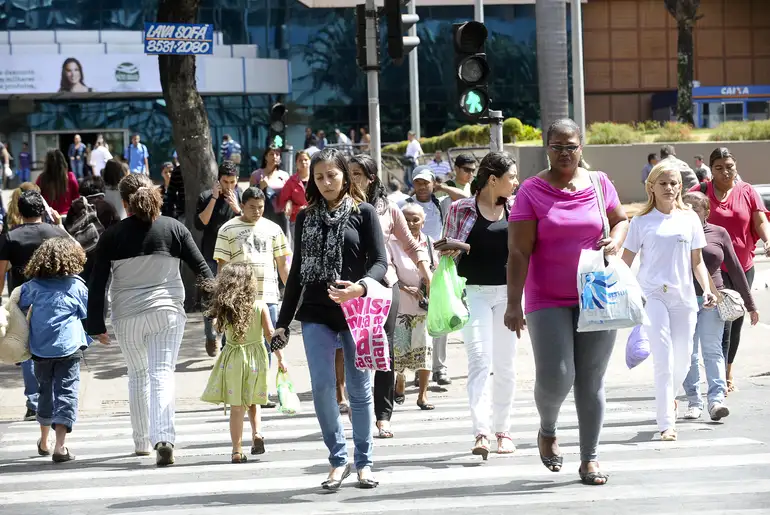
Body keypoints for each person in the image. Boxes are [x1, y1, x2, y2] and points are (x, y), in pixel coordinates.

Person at [506, 118, 629, 486]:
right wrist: (513, 303)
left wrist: (616, 240)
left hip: (596, 293)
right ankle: (547, 428)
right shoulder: (531, 191)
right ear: (547, 148)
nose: (564, 153)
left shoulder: (599, 183)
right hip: (547, 297)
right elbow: (518, 252)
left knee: (591, 379)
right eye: (557, 146)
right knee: (557, 376)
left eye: (570, 146)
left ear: (581, 147)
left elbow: (620, 220)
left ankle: (590, 458)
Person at [274, 147, 386, 489]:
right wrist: (282, 323)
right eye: (319, 177)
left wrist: (360, 288)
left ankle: (364, 461)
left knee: (359, 388)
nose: (326, 182)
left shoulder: (364, 213)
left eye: (332, 175)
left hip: (355, 310)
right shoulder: (305, 217)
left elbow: (380, 263)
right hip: (316, 311)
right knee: (323, 388)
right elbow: (296, 274)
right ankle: (338, 460)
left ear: (345, 176)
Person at [87, 174, 213, 466]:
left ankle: (142, 441)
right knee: (162, 373)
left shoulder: (112, 235)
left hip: (127, 316)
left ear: (124, 203)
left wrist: (95, 324)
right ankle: (164, 438)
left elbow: (98, 282)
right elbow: (203, 270)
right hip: (167, 313)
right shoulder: (174, 228)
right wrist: (219, 307)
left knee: (138, 375)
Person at [621, 160, 717, 442]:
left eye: (673, 183)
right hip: (652, 295)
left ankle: (670, 398)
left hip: (684, 297)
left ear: (680, 187)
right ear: (651, 187)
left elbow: (697, 262)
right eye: (662, 183)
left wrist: (707, 289)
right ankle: (666, 423)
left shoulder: (689, 219)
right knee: (663, 359)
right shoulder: (640, 221)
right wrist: (620, 291)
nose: (669, 188)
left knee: (683, 360)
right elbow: (626, 262)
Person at [348, 153, 432, 439]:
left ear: (371, 178)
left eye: (357, 174)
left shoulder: (389, 209)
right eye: (349, 173)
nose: (352, 179)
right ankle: (358, 405)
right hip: (351, 287)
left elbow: (411, 244)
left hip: (385, 284)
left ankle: (383, 416)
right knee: (355, 347)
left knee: (384, 348)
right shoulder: (340, 207)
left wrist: (426, 272)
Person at [443, 151, 518, 459]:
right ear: (493, 180)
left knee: (505, 365)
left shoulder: (516, 208)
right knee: (479, 361)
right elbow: (445, 251)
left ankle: (503, 430)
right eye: (511, 177)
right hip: (472, 293)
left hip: (509, 295)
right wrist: (455, 248)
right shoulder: (460, 208)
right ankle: (481, 432)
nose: (516, 182)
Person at [689, 147, 769, 392]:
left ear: (736, 166)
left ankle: (727, 370)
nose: (725, 172)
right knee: (719, 323)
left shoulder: (747, 191)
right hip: (712, 269)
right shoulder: (700, 192)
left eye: (729, 167)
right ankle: (718, 375)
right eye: (719, 168)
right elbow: (680, 214)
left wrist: (768, 240)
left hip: (742, 266)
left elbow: (760, 220)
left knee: (735, 319)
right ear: (710, 170)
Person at [681, 191, 757, 422]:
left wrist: (750, 304)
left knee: (712, 349)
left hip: (712, 300)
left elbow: (735, 268)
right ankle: (694, 401)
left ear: (706, 212)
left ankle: (716, 401)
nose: (689, 212)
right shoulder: (676, 233)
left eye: (695, 208)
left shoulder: (718, 233)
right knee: (689, 353)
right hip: (682, 301)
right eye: (685, 207)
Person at [200, 263, 286, 462]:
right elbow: (270, 334)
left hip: (234, 359)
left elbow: (218, 329)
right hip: (256, 358)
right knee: (253, 399)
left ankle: (236, 450)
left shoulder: (226, 308)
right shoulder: (260, 305)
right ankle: (257, 433)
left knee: (237, 407)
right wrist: (281, 358)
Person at [0, 190, 70, 422]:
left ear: (20, 211)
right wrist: (59, 224)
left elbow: (0, 273)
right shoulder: (55, 233)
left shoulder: (10, 237)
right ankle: (53, 399)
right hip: (53, 297)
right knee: (52, 348)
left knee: (26, 349)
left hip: (23, 299)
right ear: (43, 210)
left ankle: (34, 402)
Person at [20, 237, 90, 462]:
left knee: (45, 391)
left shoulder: (32, 286)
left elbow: (19, 308)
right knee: (67, 392)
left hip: (40, 349)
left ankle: (44, 441)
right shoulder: (76, 286)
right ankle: (60, 446)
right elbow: (85, 313)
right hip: (69, 347)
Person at [402, 166, 451, 386]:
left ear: (433, 183)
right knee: (416, 321)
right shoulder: (404, 205)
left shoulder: (441, 203)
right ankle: (419, 369)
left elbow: (464, 197)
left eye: (426, 182)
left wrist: (441, 187)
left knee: (439, 319)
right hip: (410, 268)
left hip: (437, 266)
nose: (422, 186)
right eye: (418, 182)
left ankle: (439, 368)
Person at [390, 203, 436, 411]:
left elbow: (436, 270)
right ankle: (400, 379)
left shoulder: (430, 244)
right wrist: (404, 287)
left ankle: (422, 395)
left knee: (425, 351)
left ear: (423, 222)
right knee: (400, 352)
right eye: (406, 219)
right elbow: (387, 271)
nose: (410, 223)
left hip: (424, 308)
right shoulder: (391, 243)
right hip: (400, 306)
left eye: (415, 219)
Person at [196, 161, 242, 357]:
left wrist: (237, 209)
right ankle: (210, 335)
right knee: (210, 296)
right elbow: (200, 224)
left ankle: (225, 342)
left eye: (232, 182)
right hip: (210, 253)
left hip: (233, 255)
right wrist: (214, 198)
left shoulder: (240, 196)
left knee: (231, 298)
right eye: (225, 182)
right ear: (218, 181)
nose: (229, 186)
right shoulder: (206, 196)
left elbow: (249, 222)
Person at [64, 176, 121, 282]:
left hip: (81, 260)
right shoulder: (108, 207)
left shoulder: (74, 208)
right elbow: (117, 233)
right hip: (104, 260)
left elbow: (68, 231)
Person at [250, 146, 290, 236]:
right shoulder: (256, 174)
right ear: (266, 157)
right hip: (262, 215)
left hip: (280, 215)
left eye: (277, 154)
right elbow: (250, 196)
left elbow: (289, 195)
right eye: (271, 154)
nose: (274, 156)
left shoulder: (284, 175)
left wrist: (289, 202)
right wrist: (260, 187)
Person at [278, 150, 311, 245]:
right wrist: (297, 209)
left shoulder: (316, 179)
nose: (303, 162)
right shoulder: (291, 181)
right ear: (296, 163)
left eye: (306, 159)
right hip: (297, 220)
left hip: (315, 219)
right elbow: (283, 202)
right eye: (300, 160)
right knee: (299, 248)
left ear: (310, 161)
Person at [37, 149, 79, 215]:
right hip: (68, 216)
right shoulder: (70, 177)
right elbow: (77, 199)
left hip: (49, 217)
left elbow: (37, 198)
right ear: (63, 162)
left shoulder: (42, 179)